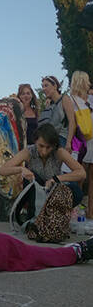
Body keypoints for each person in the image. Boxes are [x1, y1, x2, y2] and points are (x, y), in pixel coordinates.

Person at [0, 123, 85, 206]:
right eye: (41, 146)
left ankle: (55, 212)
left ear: (54, 145)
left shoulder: (59, 152)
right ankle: (34, 213)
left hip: (54, 191)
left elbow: (82, 173)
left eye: (48, 147)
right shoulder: (29, 152)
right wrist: (21, 169)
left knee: (77, 192)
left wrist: (55, 179)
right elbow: (3, 170)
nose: (44, 151)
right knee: (30, 179)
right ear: (35, 141)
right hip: (36, 191)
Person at [70, 71, 93, 217]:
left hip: (91, 140)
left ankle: (91, 211)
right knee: (80, 176)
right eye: (87, 80)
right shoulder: (71, 100)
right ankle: (74, 210)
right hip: (81, 142)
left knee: (91, 179)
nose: (89, 82)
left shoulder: (90, 98)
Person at [39, 75, 76, 154]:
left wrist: (68, 142)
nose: (44, 89)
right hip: (49, 141)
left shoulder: (64, 99)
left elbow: (72, 121)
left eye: (46, 85)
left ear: (55, 86)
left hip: (61, 139)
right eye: (42, 86)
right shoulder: (49, 104)